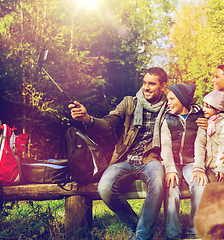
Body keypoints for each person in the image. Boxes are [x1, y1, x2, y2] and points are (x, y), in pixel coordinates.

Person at [69, 67, 168, 240]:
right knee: (104, 187)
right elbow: (108, 123)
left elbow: (185, 119)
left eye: (151, 84)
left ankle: (142, 236)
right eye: (144, 83)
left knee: (158, 181)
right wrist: (87, 119)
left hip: (151, 159)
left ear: (163, 86)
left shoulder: (169, 106)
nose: (146, 87)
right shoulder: (130, 102)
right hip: (125, 158)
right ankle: (134, 225)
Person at [160, 84, 207, 240]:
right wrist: (170, 169)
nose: (169, 102)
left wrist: (199, 168)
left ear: (183, 99)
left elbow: (201, 144)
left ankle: (195, 232)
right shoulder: (167, 119)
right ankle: (172, 234)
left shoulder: (199, 117)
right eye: (168, 99)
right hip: (173, 164)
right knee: (171, 187)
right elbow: (165, 146)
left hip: (191, 163)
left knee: (200, 184)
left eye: (172, 99)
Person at [202, 90, 224, 182]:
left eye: (208, 107)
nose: (204, 109)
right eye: (203, 106)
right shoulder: (209, 122)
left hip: (219, 167)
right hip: (208, 166)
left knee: (216, 190)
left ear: (217, 109)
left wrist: (220, 167)